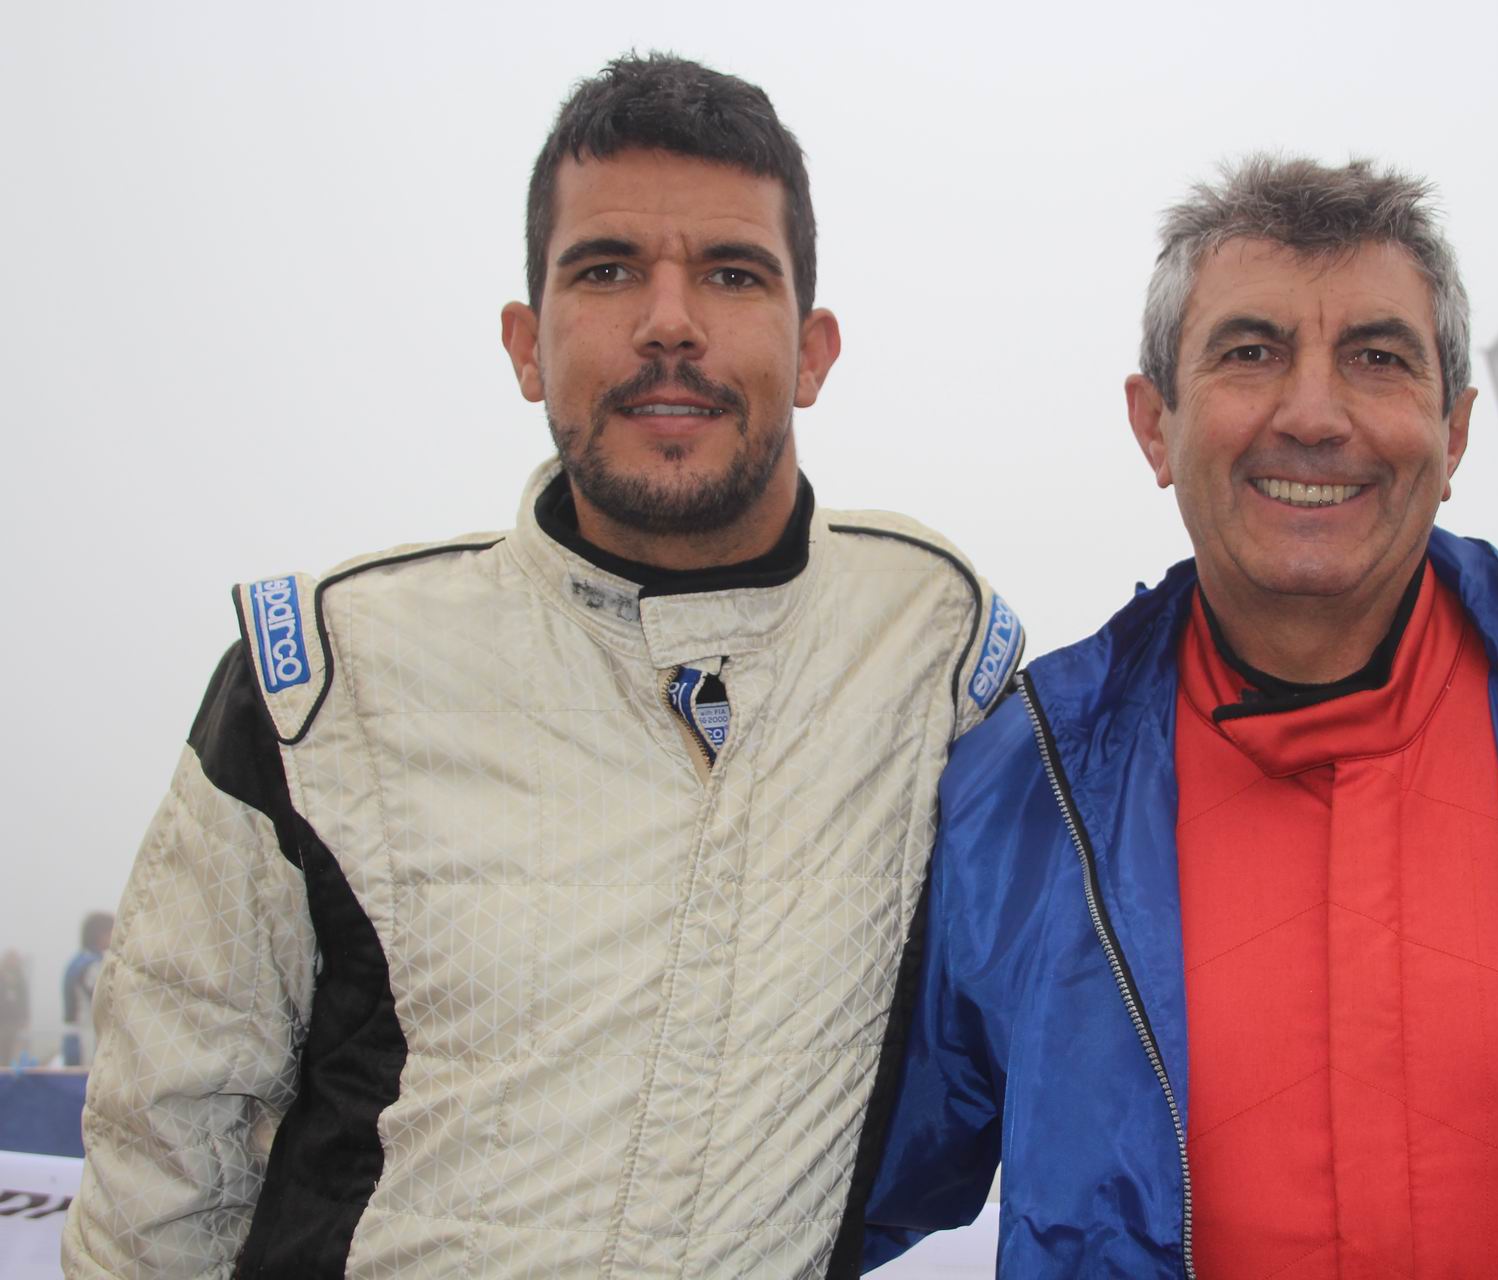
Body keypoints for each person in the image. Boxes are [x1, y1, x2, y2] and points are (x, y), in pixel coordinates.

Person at [861, 156, 1498, 1277]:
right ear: (1154, 423)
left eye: (1377, 357)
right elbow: (818, 1181)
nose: (1315, 415)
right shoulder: (1025, 794)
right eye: (1251, 351)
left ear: (1454, 432)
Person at [66, 53, 1020, 1280]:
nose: (669, 322)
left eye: (732, 274)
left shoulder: (932, 641)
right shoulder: (325, 681)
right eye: (606, 269)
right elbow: (158, 1170)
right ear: (526, 344)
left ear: (814, 349)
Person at [59, 913, 112, 1068]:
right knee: (85, 1076)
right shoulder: (92, 965)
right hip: (86, 1037)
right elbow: (107, 998)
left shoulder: (78, 961)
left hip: (75, 1035)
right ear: (100, 934)